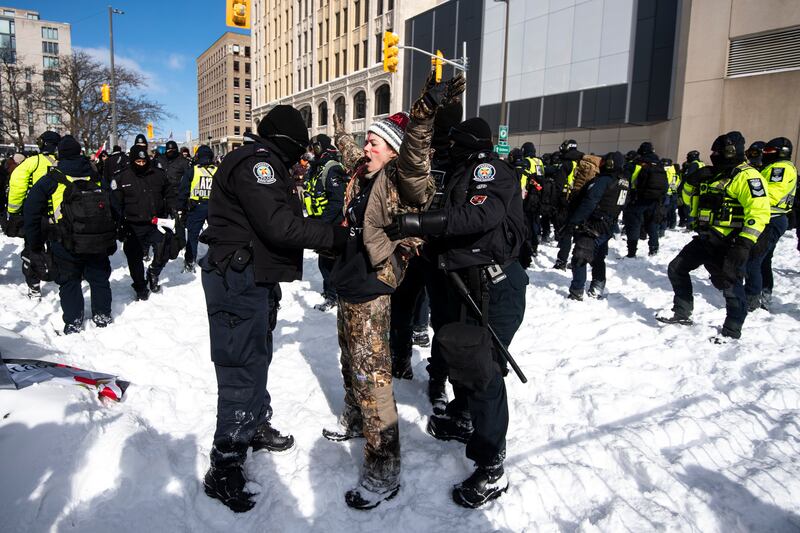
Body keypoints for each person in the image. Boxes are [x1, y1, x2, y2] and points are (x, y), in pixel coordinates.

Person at [198, 105, 346, 513]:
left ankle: (254, 423)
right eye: (298, 148)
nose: (301, 157)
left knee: (257, 354)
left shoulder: (263, 163)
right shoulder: (257, 164)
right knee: (239, 364)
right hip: (237, 281)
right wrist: (335, 237)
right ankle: (224, 464)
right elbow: (279, 225)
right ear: (286, 141)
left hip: (254, 278)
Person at [386, 113, 528, 508]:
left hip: (495, 290)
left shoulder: (487, 169)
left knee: (483, 375)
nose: (446, 148)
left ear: (467, 143)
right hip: (468, 286)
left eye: (453, 141)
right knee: (461, 356)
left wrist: (419, 222)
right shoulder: (461, 172)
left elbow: (480, 216)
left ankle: (491, 467)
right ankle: (463, 417)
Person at [324, 77, 436, 507]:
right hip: (349, 284)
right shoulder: (361, 169)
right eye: (367, 140)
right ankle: (354, 418)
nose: (367, 147)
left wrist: (423, 114)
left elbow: (416, 157)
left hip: (373, 289)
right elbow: (348, 149)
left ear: (392, 151)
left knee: (373, 378)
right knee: (350, 361)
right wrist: (339, 130)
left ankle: (383, 469)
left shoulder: (398, 179)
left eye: (375, 142)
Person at [659, 131, 771, 340]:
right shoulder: (712, 174)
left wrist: (744, 243)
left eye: (718, 152)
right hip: (707, 238)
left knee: (730, 285)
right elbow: (686, 199)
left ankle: (732, 330)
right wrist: (691, 181)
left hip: (732, 242)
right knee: (676, 268)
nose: (713, 155)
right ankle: (682, 312)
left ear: (730, 152)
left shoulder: (748, 177)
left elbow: (759, 212)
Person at [22, 136, 116, 333]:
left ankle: (74, 321)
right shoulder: (95, 174)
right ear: (80, 153)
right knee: (99, 278)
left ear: (60, 155)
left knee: (69, 280)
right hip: (96, 238)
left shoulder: (51, 178)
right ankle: (102, 316)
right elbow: (113, 205)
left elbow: (31, 210)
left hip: (64, 240)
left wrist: (35, 243)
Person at [113, 146, 175, 300]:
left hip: (156, 222)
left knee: (164, 251)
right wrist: (119, 224)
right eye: (138, 161)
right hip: (133, 225)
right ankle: (140, 285)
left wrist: (174, 210)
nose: (141, 164)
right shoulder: (122, 178)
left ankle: (154, 272)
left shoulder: (158, 174)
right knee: (134, 258)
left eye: (143, 161)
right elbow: (116, 204)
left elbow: (169, 193)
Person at [565, 152, 630, 300]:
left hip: (594, 224)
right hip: (608, 225)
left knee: (580, 256)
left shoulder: (604, 180)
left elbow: (590, 201)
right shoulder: (624, 182)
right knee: (598, 256)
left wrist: (574, 221)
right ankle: (598, 286)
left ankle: (577, 291)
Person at [5, 131, 60, 298]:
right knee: (57, 248)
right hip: (60, 216)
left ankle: (34, 285)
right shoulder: (64, 163)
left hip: (37, 215)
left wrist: (13, 211)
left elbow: (17, 186)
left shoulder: (32, 162)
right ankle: (58, 276)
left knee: (32, 249)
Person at [744, 137, 796, 311]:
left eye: (768, 152)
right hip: (771, 217)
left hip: (771, 218)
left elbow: (771, 194)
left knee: (754, 260)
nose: (764, 155)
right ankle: (764, 294)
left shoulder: (780, 168)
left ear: (781, 152)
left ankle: (751, 300)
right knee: (764, 260)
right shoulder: (773, 167)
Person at [304, 134, 348, 311]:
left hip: (332, 224)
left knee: (330, 262)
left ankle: (334, 295)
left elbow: (336, 201)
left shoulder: (331, 167)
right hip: (321, 222)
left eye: (314, 147)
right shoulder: (317, 167)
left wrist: (324, 223)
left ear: (320, 147)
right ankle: (330, 291)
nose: (312, 151)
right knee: (325, 261)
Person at [623, 142, 667, 257]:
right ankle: (654, 249)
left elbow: (624, 181)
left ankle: (631, 252)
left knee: (634, 225)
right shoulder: (659, 165)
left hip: (636, 199)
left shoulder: (635, 164)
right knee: (652, 225)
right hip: (654, 200)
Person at [178, 145, 215, 273]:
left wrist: (181, 208)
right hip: (214, 207)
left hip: (196, 206)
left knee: (193, 236)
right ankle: (216, 258)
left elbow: (183, 191)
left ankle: (190, 261)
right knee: (215, 235)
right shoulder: (217, 170)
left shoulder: (193, 170)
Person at [552, 139, 584, 269]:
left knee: (567, 232)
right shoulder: (582, 161)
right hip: (582, 199)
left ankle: (561, 261)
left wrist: (558, 201)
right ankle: (578, 260)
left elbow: (559, 185)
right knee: (579, 232)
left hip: (567, 200)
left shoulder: (565, 163)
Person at [678, 150, 706, 227]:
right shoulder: (702, 164)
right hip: (699, 188)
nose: (687, 158)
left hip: (691, 189)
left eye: (688, 156)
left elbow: (688, 177)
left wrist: (680, 188)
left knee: (688, 208)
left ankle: (689, 225)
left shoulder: (693, 165)